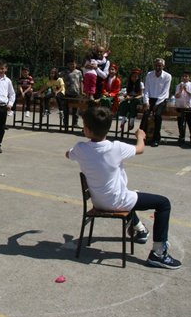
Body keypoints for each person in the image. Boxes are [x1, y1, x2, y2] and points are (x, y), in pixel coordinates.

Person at [66, 107, 182, 269]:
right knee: (163, 203)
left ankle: (140, 230)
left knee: (130, 194)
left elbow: (68, 154)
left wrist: (77, 153)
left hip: (98, 201)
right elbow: (140, 149)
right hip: (116, 201)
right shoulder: (116, 147)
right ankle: (158, 254)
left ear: (88, 130)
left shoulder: (80, 148)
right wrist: (140, 137)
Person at [140, 58, 172, 147]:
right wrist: (146, 102)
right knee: (146, 114)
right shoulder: (149, 74)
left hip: (161, 100)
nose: (158, 67)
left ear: (163, 66)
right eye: (156, 65)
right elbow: (146, 89)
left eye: (160, 66)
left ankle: (156, 138)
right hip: (150, 98)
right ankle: (142, 137)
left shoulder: (167, 76)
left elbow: (165, 92)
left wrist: (157, 104)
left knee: (157, 115)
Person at [174, 72, 191, 145]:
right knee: (180, 122)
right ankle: (181, 137)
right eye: (183, 76)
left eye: (186, 76)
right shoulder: (178, 85)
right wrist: (181, 90)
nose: (184, 78)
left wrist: (186, 90)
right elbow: (176, 96)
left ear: (189, 78)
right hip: (180, 106)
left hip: (189, 106)